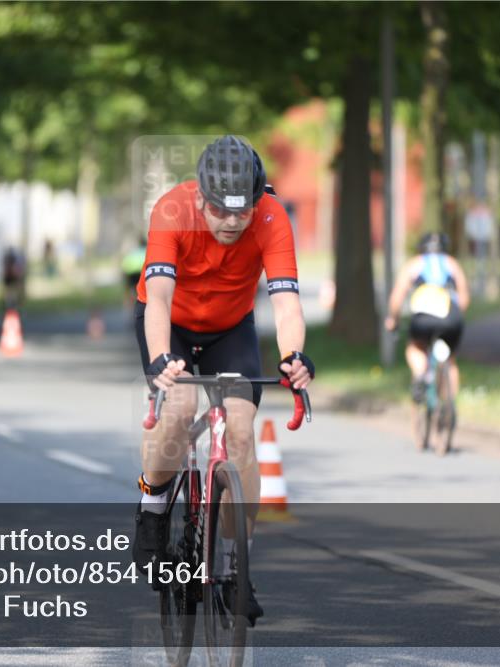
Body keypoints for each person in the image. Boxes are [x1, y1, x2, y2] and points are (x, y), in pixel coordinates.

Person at [132, 135, 314, 626]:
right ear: (201, 199)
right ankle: (152, 509)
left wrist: (293, 356)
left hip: (230, 328)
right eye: (221, 212)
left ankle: (235, 564)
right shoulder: (172, 211)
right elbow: (159, 300)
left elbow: (286, 302)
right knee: (177, 412)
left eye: (243, 212)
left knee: (239, 428)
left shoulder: (272, 217)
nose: (233, 222)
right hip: (170, 324)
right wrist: (160, 359)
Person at [384, 232, 471, 402]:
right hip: (451, 317)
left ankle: (419, 375)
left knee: (415, 347)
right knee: (450, 359)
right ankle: (449, 407)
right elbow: (464, 299)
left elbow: (396, 299)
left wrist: (393, 319)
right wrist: (456, 317)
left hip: (423, 318)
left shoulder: (414, 265)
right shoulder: (452, 264)